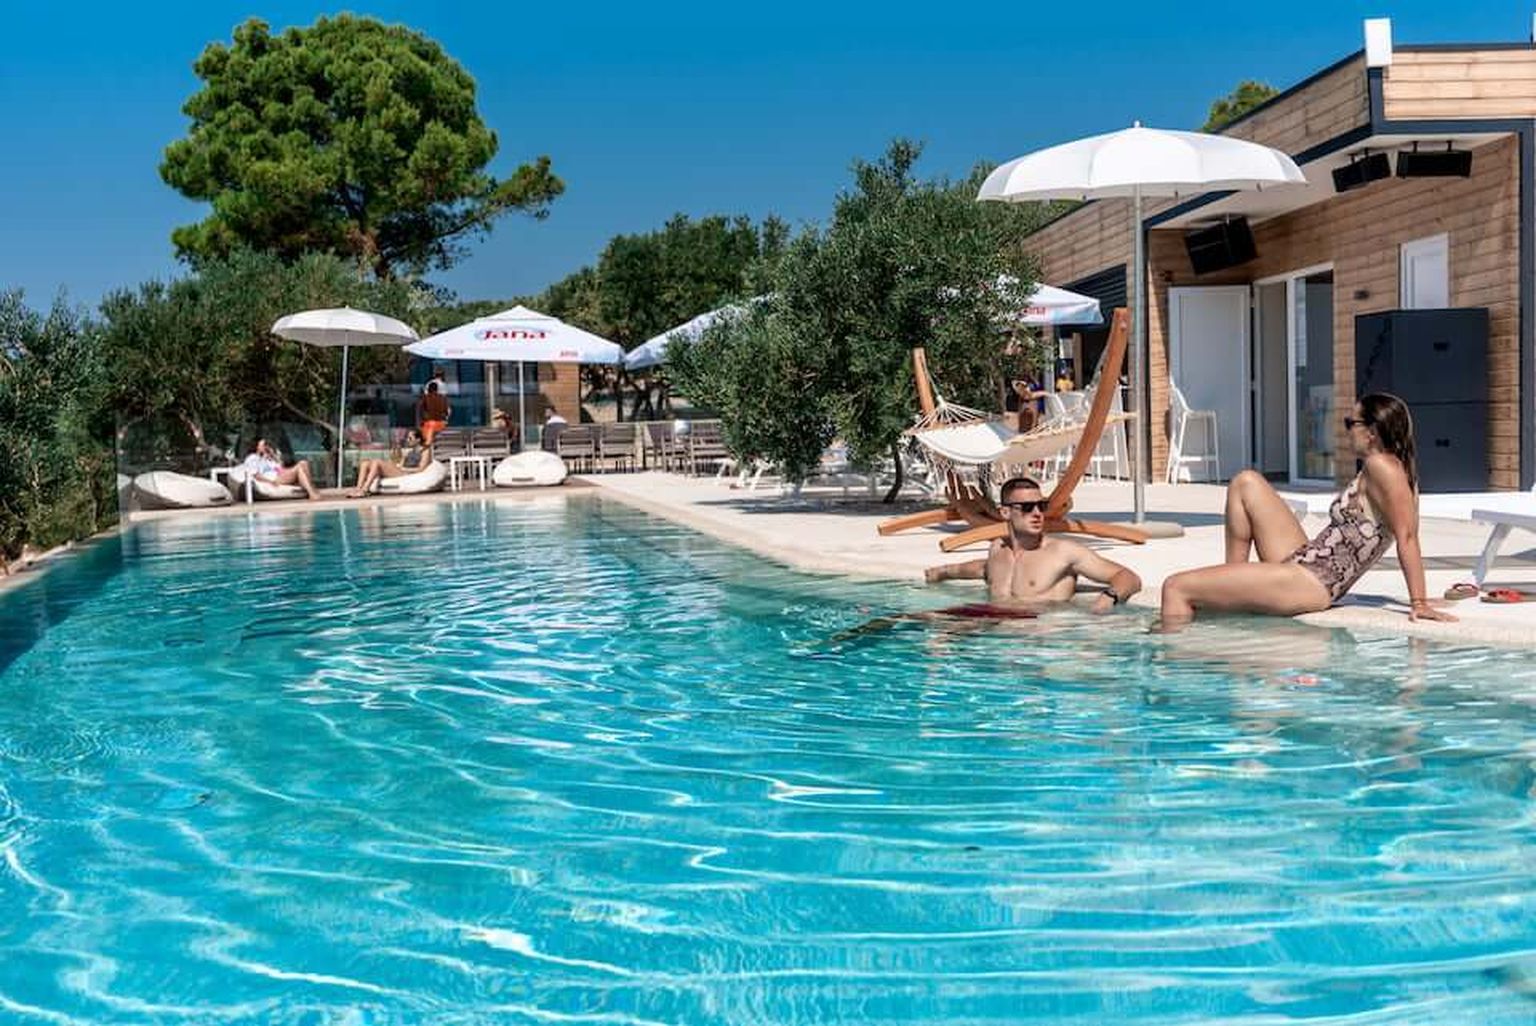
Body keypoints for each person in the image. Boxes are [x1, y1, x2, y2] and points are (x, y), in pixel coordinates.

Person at [1158, 392, 1459, 627]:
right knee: (1245, 482)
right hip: (1307, 563)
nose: (1346, 431)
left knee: (1175, 587)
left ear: (1371, 432)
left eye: (1350, 423)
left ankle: (1176, 661)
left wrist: (1419, 602)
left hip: (1313, 582)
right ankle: (1231, 587)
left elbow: (1407, 536)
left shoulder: (1383, 467)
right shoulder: (1390, 468)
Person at [924, 475, 1142, 614]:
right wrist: (944, 572)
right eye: (1027, 507)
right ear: (1005, 512)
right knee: (917, 622)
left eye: (1041, 506)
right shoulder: (998, 549)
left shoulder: (1063, 552)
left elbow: (1128, 577)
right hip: (993, 630)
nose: (1037, 513)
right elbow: (983, 568)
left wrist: (1109, 597)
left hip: (1035, 636)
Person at [350, 429, 432, 497]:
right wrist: (397, 463)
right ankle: (358, 488)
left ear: (418, 440)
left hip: (406, 473)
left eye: (410, 438)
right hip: (401, 469)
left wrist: (404, 469)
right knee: (365, 463)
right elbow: (401, 463)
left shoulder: (425, 451)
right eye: (407, 438)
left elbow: (421, 469)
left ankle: (365, 490)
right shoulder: (410, 451)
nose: (408, 440)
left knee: (377, 462)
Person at [243, 438, 320, 500]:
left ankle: (312, 489)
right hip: (274, 478)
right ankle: (312, 493)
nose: (265, 447)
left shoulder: (265, 458)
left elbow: (280, 467)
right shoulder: (252, 458)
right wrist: (270, 481)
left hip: (280, 474)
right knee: (299, 467)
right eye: (263, 445)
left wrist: (273, 455)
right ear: (256, 446)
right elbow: (256, 475)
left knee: (304, 463)